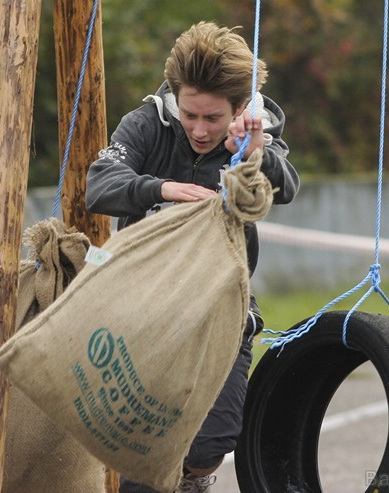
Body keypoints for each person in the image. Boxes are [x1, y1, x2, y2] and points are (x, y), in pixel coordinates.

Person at [85, 21, 299, 493]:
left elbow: (287, 187)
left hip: (221, 307)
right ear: (176, 99)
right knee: (140, 456)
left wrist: (254, 153)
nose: (200, 130)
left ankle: (193, 482)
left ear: (240, 108)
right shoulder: (146, 123)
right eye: (190, 115)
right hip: (141, 310)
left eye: (213, 118)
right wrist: (158, 188)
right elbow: (98, 185)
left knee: (208, 446)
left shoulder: (258, 131)